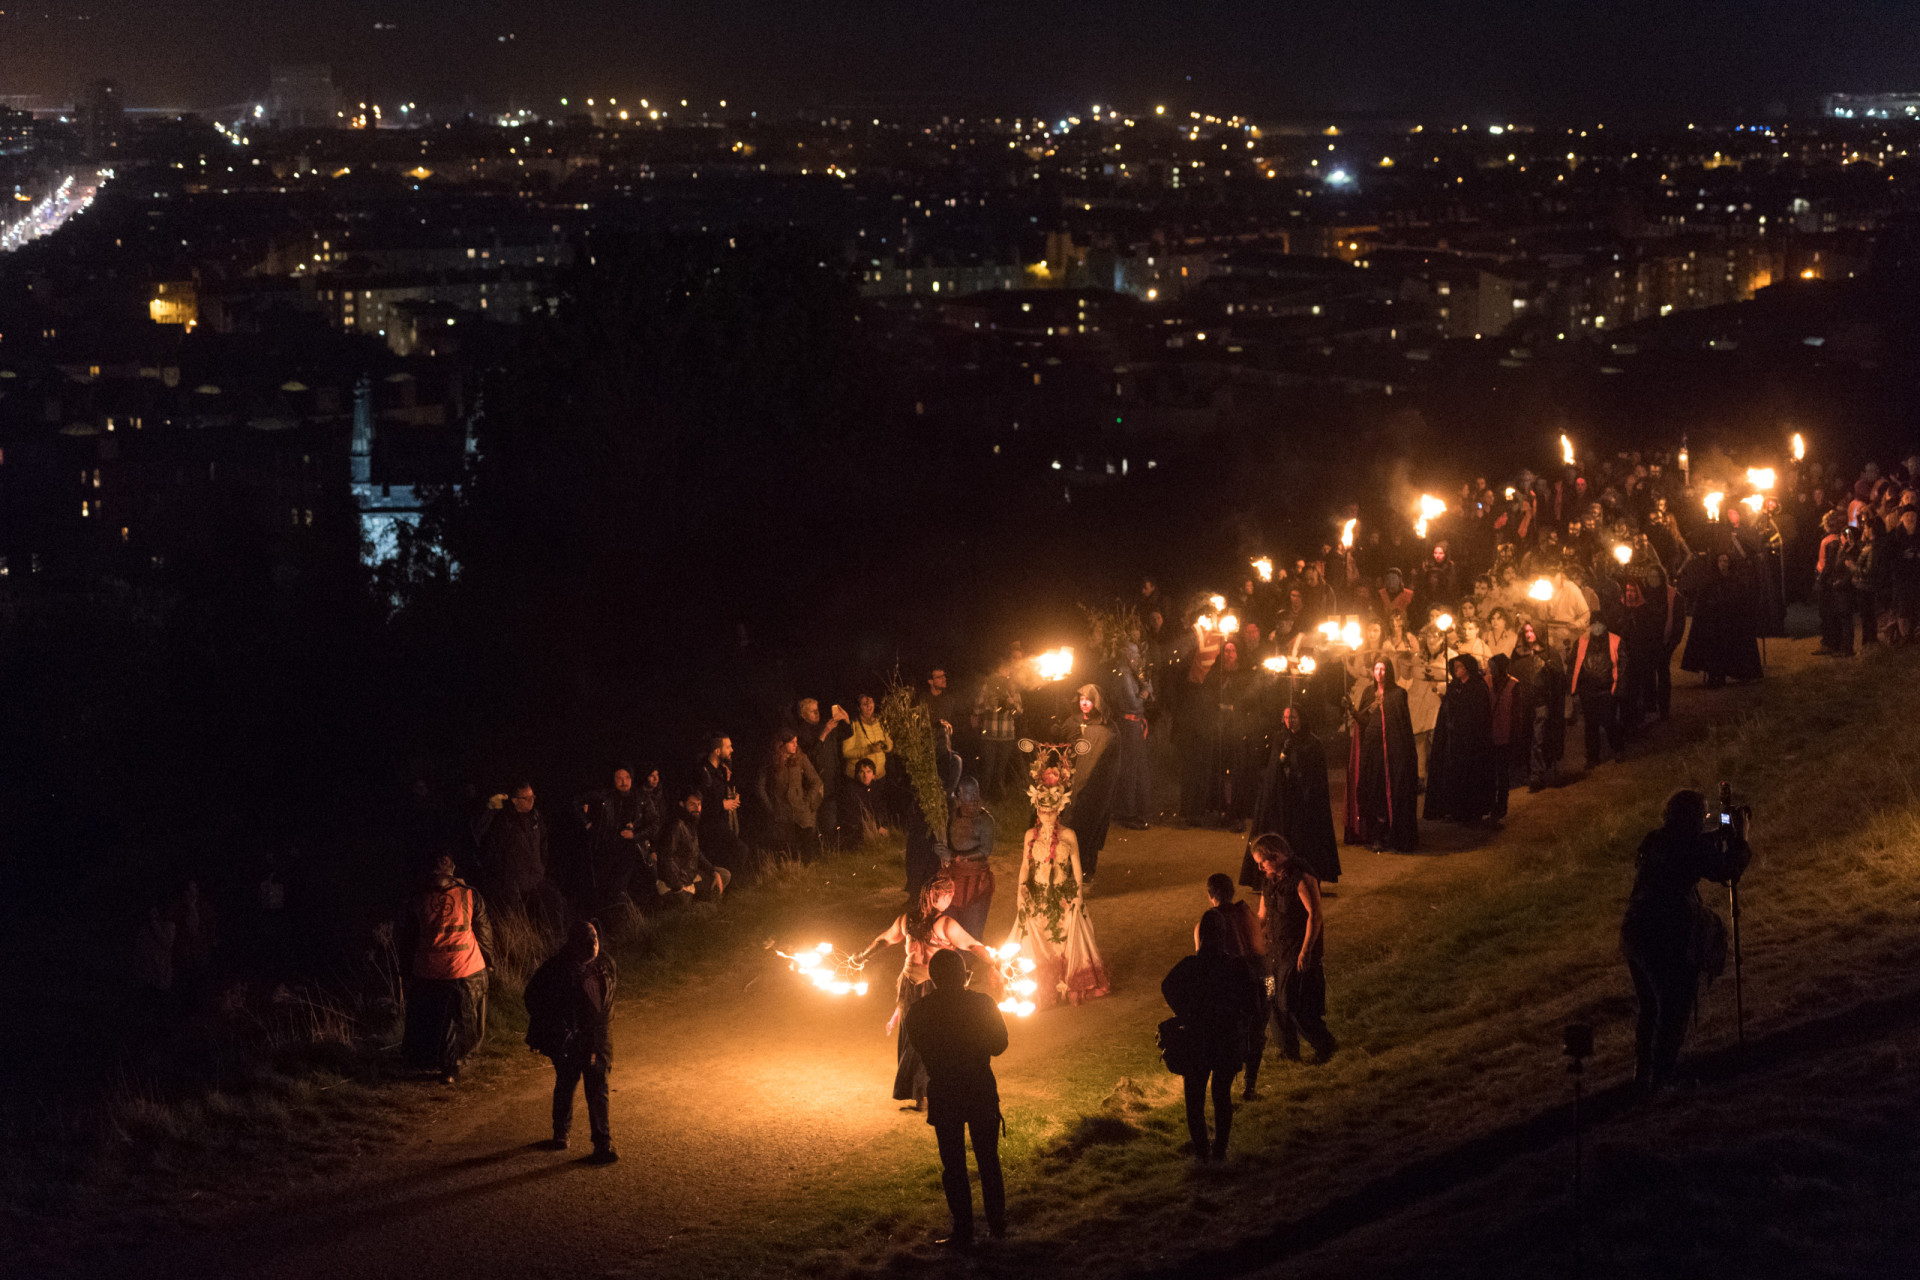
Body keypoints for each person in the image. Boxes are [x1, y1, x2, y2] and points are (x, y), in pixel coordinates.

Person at [1620, 789, 1750, 1095]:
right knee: (1674, 1005)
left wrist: (1718, 833)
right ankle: (1662, 1081)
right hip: (1664, 936)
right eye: (1703, 817)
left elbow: (1688, 847)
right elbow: (1727, 870)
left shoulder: (1656, 840)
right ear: (1691, 820)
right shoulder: (1687, 847)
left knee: (1650, 1006)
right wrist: (1741, 839)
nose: (1704, 824)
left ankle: (1643, 1077)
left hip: (1635, 931)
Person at [856, 876, 998, 1111]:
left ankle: (931, 1094)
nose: (951, 898)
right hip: (915, 986)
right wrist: (862, 957)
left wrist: (995, 960)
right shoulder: (938, 924)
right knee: (914, 1039)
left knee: (927, 1040)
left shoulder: (913, 921)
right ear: (936, 896)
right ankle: (921, 1096)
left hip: (928, 985)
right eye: (948, 894)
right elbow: (972, 944)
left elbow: (972, 946)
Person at [900, 949, 1009, 1248]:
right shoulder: (983, 1004)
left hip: (946, 1090)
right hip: (980, 1088)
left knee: (954, 1166)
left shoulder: (919, 1012)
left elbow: (922, 1049)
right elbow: (999, 1045)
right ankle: (997, 1227)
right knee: (988, 1160)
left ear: (933, 979)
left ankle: (963, 1230)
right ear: (964, 975)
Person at [1007, 746, 1112, 1006]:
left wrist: (1078, 894)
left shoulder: (1068, 836)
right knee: (1038, 940)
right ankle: (1043, 986)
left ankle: (1070, 983)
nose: (1046, 816)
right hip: (1038, 895)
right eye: (1042, 811)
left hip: (1063, 895)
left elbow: (1076, 865)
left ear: (1059, 810)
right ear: (1037, 810)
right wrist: (1020, 891)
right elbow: (1024, 865)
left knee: (1066, 938)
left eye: (1051, 811)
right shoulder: (1030, 836)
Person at [1162, 910, 1263, 1162]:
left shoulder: (1189, 966)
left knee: (1194, 1098)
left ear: (1202, 936)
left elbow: (1167, 986)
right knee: (1222, 1094)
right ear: (1224, 935)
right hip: (1226, 1039)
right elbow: (1254, 1003)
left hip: (1196, 1040)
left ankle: (1201, 1152)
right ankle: (1220, 1150)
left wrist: (1183, 1012)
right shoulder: (1236, 966)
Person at [525, 921, 618, 1162]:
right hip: (569, 1039)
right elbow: (532, 998)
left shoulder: (605, 963)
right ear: (573, 944)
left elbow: (607, 1002)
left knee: (597, 1086)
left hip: (596, 1038)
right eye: (587, 941)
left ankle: (602, 1144)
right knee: (566, 1083)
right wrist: (555, 1026)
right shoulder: (554, 969)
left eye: (595, 939)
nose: (593, 945)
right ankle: (561, 1132)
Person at [397, 853, 494, 1084]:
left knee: (434, 1015)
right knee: (462, 1015)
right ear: (453, 870)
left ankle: (434, 1061)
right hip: (466, 967)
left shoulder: (417, 898)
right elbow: (485, 933)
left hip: (429, 969)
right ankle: (454, 1064)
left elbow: (408, 938)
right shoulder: (470, 895)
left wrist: (406, 969)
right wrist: (489, 961)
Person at [1251, 834, 1336, 1063]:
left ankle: (1324, 1046)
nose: (1260, 868)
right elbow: (1262, 915)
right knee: (1271, 999)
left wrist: (1306, 951)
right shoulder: (1268, 881)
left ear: (1276, 856)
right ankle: (1289, 1051)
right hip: (1273, 953)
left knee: (1293, 1003)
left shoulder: (1302, 878)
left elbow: (1315, 915)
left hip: (1295, 953)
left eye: (1262, 862)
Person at [1240, 706, 1340, 887]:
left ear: (1301, 718)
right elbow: (1274, 769)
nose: (1289, 721)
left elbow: (1314, 774)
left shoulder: (1312, 742)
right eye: (1286, 717)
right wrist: (1282, 755)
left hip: (1302, 799)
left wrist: (1298, 758)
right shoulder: (1280, 738)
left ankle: (1305, 876)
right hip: (1282, 799)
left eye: (1293, 717)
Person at [1344, 657, 1419, 852]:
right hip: (1373, 751)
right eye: (1376, 668)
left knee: (1393, 792)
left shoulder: (1398, 693)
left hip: (1393, 752)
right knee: (1374, 791)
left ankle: (1395, 834)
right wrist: (1351, 709)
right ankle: (1376, 835)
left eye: (1383, 669)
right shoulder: (1370, 692)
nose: (1379, 672)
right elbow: (1364, 720)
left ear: (1389, 671)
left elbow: (1402, 723)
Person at [1424, 654, 1497, 823]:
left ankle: (1471, 811)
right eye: (1455, 667)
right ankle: (1453, 808)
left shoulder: (1478, 687)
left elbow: (1479, 714)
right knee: (1453, 774)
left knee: (1470, 775)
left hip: (1471, 741)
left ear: (1468, 668)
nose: (1457, 670)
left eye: (1460, 667)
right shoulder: (1454, 686)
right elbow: (1448, 709)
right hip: (1454, 741)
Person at [1058, 683, 1118, 880]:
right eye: (1082, 699)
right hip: (1073, 785)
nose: (1084, 703)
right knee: (1070, 827)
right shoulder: (1073, 722)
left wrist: (1083, 785)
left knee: (1090, 827)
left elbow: (1103, 764)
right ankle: (1067, 870)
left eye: (1089, 700)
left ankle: (1086, 870)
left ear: (1097, 703)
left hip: (1095, 789)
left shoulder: (1106, 730)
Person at [472, 783, 555, 923]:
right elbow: (489, 847)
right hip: (513, 885)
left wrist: (542, 866)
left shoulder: (535, 817)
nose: (532, 800)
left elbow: (543, 843)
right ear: (515, 800)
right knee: (515, 921)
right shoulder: (504, 821)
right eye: (526, 798)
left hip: (535, 879)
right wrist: (504, 878)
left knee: (540, 917)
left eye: (532, 796)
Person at [1681, 552, 1764, 688]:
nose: (1723, 564)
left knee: (1730, 649)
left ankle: (1732, 672)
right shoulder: (1711, 581)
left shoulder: (1735, 581)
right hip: (1715, 624)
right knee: (1715, 650)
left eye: (1725, 561)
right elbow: (1703, 601)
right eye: (1720, 561)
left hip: (1730, 623)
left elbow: (1741, 600)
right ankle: (1715, 676)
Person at [578, 767, 652, 911]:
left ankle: (628, 919)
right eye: (619, 778)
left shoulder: (640, 797)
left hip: (631, 850)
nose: (623, 782)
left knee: (627, 887)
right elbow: (576, 802)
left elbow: (654, 822)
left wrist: (635, 834)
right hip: (607, 848)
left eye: (627, 777)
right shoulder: (604, 795)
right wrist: (587, 823)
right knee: (605, 889)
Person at [1509, 621, 1567, 792]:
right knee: (1525, 737)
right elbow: (1513, 676)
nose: (1528, 634)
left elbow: (1559, 680)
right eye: (1526, 631)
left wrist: (1550, 668)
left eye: (1532, 630)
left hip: (1542, 703)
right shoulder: (1518, 654)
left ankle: (1537, 773)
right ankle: (1528, 771)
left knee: (1539, 738)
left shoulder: (1549, 653)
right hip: (1523, 704)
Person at [757, 727, 826, 864]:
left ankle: (807, 872)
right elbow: (760, 787)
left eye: (796, 741)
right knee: (786, 849)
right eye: (792, 742)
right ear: (781, 744)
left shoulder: (801, 758)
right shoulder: (771, 762)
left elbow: (816, 781)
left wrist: (807, 801)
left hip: (800, 811)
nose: (796, 745)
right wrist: (770, 808)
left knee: (805, 846)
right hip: (781, 812)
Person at [655, 788, 731, 904]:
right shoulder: (676, 825)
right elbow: (666, 859)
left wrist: (713, 871)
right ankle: (701, 904)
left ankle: (709, 901)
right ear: (682, 804)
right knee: (692, 909)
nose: (697, 808)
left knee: (723, 875)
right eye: (692, 804)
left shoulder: (690, 822)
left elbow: (697, 853)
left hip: (690, 877)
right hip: (674, 885)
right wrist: (678, 887)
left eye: (699, 804)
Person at [945, 777, 997, 939]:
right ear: (958, 795)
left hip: (976, 882)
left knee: (972, 931)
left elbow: (985, 851)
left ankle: (970, 962)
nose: (973, 797)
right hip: (954, 879)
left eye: (975, 792)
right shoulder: (952, 816)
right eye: (968, 793)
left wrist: (956, 857)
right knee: (950, 927)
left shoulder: (986, 821)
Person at [972, 650, 1025, 801]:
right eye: (1002, 669)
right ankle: (981, 800)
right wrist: (989, 705)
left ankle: (998, 800)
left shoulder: (1012, 688)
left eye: (1007, 670)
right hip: (989, 736)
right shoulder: (987, 687)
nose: (1004, 673)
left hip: (1007, 737)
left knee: (1000, 771)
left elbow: (1019, 712)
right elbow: (976, 709)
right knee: (987, 769)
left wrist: (1011, 704)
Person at [1570, 619, 1625, 767]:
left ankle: (1618, 748)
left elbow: (1622, 667)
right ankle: (1592, 757)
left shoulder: (1615, 640)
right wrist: (1574, 688)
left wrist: (1618, 689)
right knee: (1591, 724)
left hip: (1607, 690)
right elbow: (1574, 663)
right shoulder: (1582, 641)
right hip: (1588, 691)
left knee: (1609, 722)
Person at [698, 735, 752, 876]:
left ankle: (725, 889)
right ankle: (729, 888)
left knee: (725, 858)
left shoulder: (720, 771)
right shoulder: (704, 774)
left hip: (721, 823)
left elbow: (721, 791)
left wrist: (732, 796)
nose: (732, 750)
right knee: (740, 850)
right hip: (709, 826)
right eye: (728, 747)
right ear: (717, 751)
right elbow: (699, 802)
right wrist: (722, 805)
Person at [1485, 652, 1520, 821]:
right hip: (1490, 735)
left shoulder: (1514, 685)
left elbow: (1517, 713)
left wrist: (1515, 735)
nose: (1489, 669)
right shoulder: (1487, 682)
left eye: (1492, 666)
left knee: (1502, 773)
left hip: (1505, 735)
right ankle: (1492, 804)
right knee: (1491, 772)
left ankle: (1501, 806)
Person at [842, 694, 895, 781]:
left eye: (870, 702)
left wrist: (884, 746)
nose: (868, 706)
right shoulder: (853, 724)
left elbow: (889, 743)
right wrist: (869, 750)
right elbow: (846, 752)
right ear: (859, 707)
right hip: (860, 778)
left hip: (879, 776)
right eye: (864, 704)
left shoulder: (881, 721)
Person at [840, 758, 890, 847]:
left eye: (868, 772)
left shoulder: (876, 789)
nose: (865, 775)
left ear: (873, 775)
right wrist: (876, 828)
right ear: (857, 774)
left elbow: (880, 809)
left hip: (874, 827)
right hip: (858, 830)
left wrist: (883, 825)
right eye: (862, 772)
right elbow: (854, 815)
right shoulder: (851, 790)